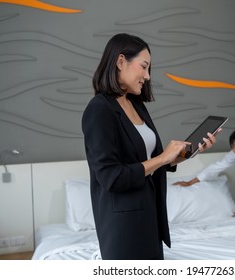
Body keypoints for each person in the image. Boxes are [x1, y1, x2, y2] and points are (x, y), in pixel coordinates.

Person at [81, 33, 218, 260]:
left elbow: (152, 161)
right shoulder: (99, 110)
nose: (147, 76)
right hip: (123, 226)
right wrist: (163, 158)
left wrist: (189, 152)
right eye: (144, 67)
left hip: (150, 216)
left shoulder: (136, 105)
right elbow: (111, 177)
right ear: (120, 61)